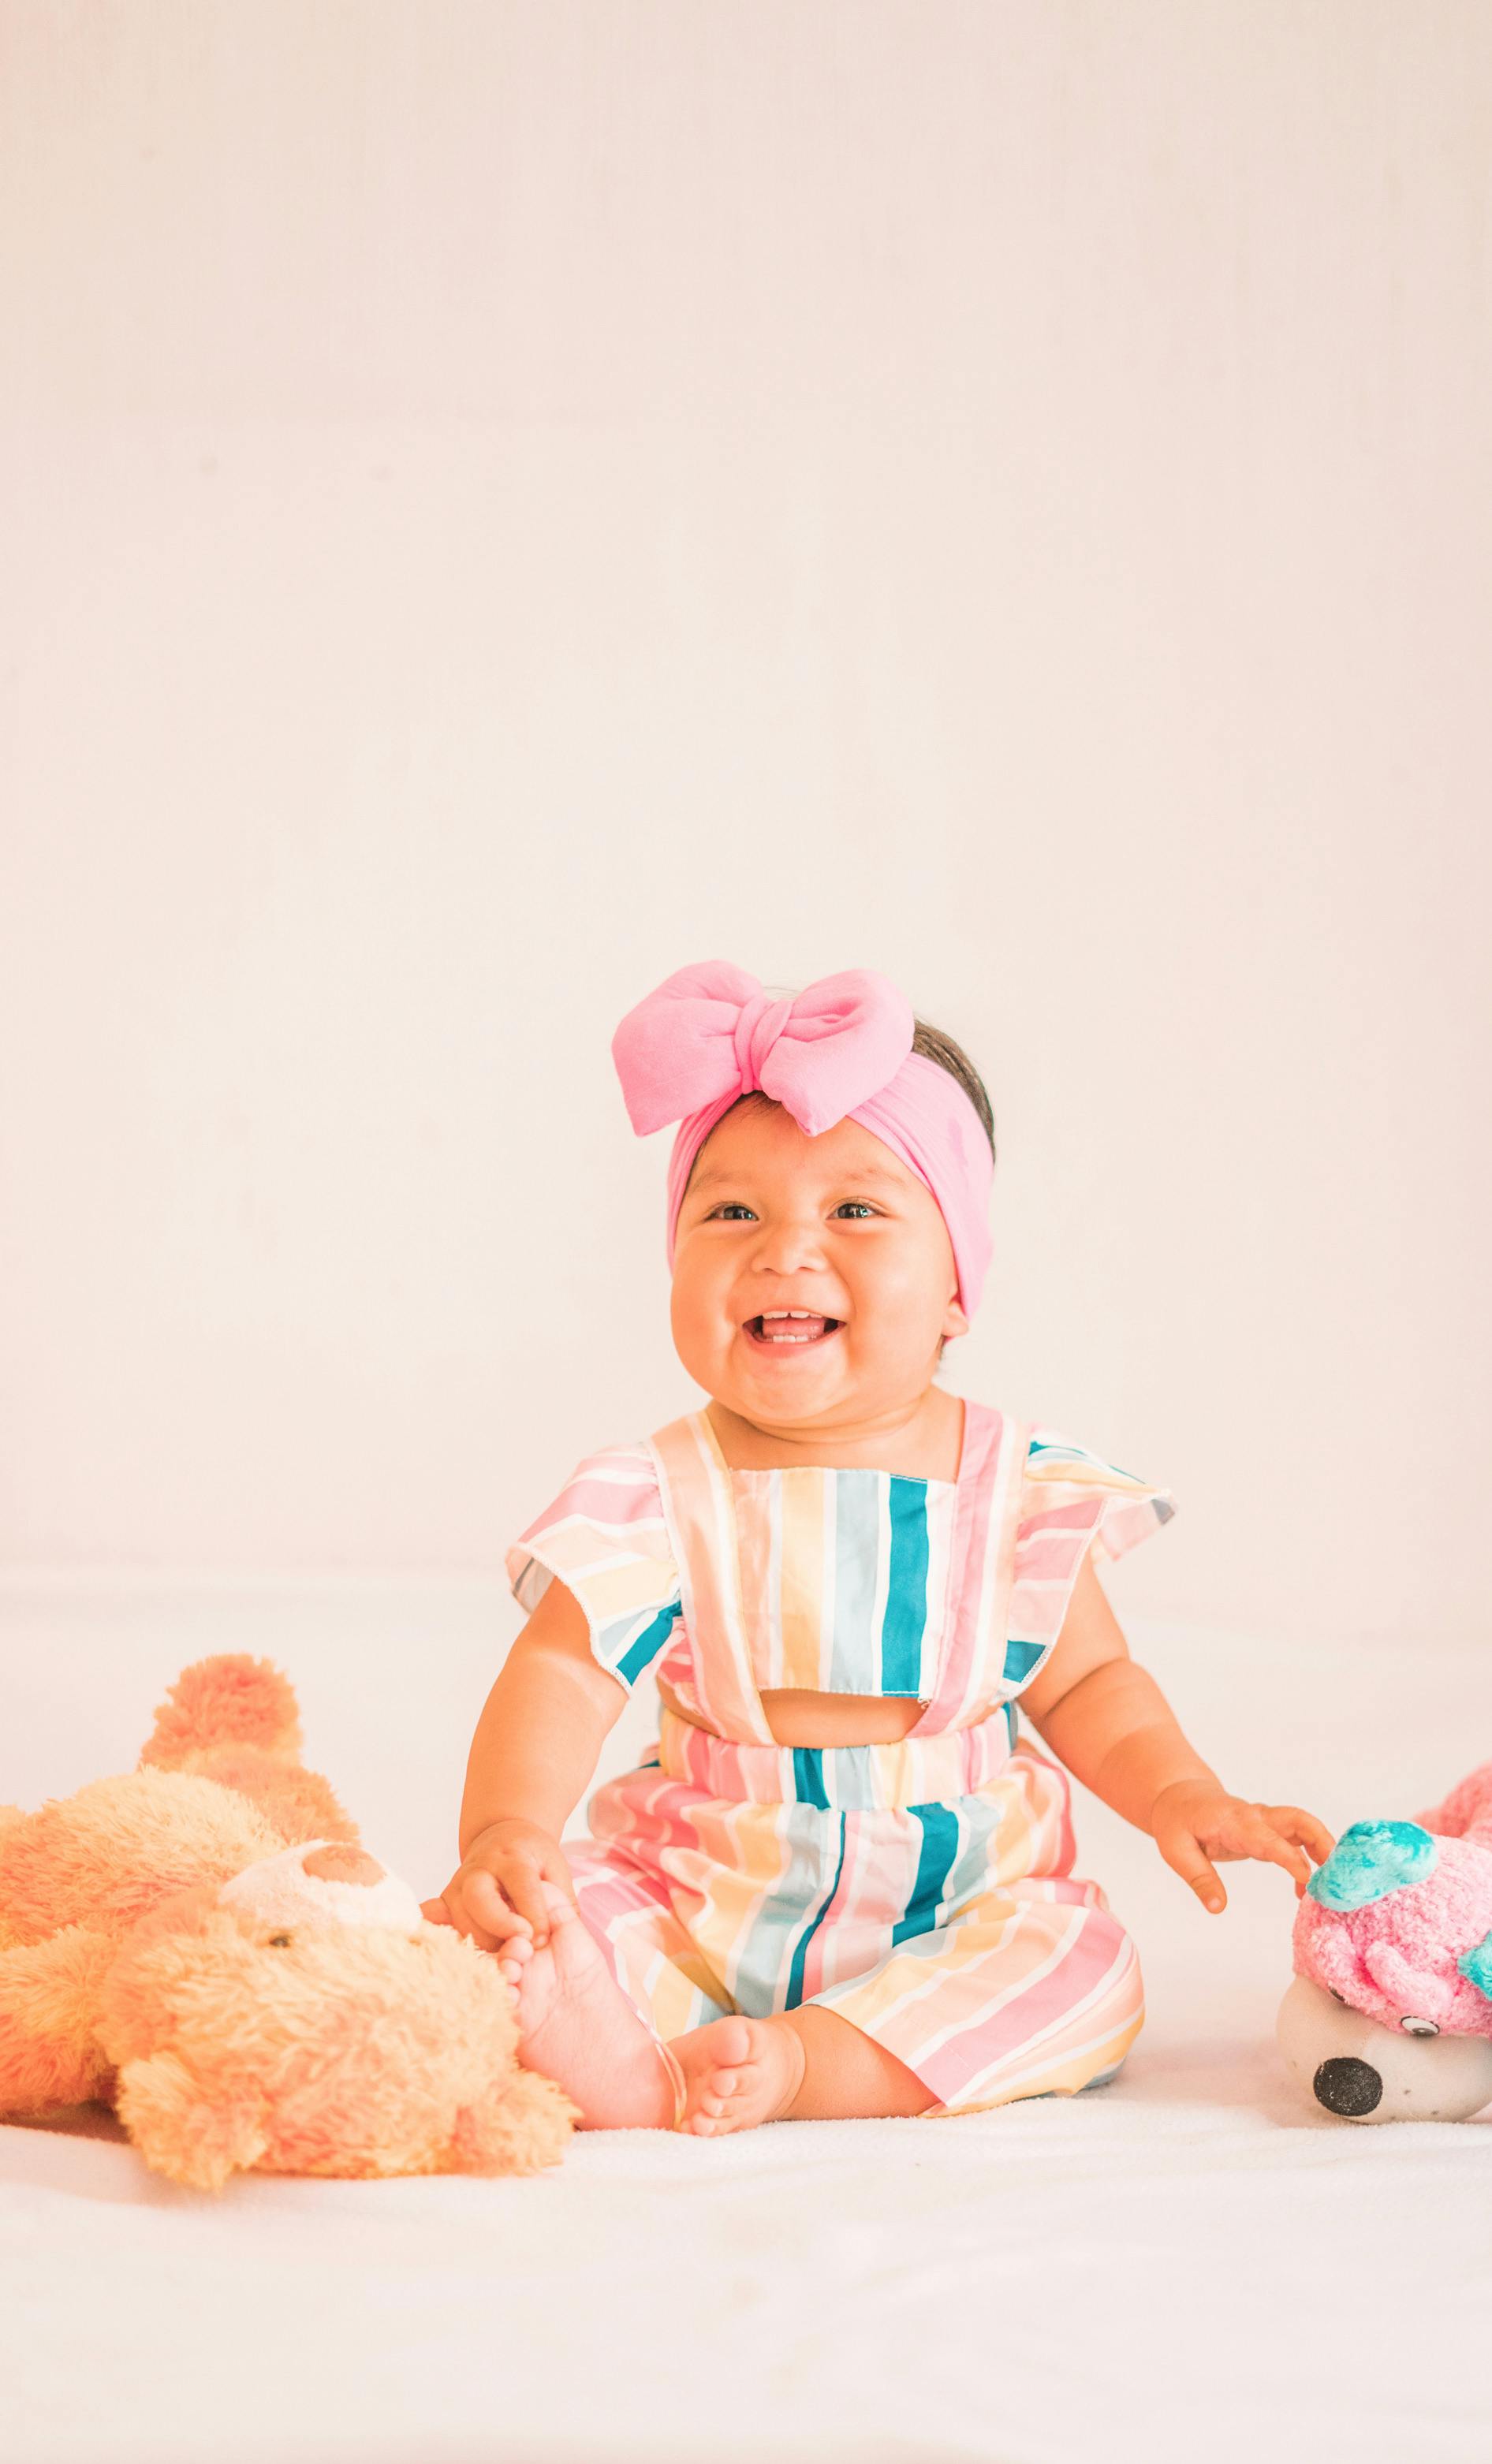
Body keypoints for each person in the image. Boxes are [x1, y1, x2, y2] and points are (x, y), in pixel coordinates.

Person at [423, 960, 1335, 2135]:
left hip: (956, 1902)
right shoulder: (653, 1490)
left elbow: (1092, 1679)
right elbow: (561, 1673)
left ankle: (814, 2062)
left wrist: (1180, 1791)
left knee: (1086, 1965)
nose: (785, 1250)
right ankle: (603, 2025)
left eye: (855, 1210)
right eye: (732, 1210)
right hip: (698, 1883)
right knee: (555, 1920)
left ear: (958, 1284)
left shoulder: (1013, 1488)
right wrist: (508, 1836)